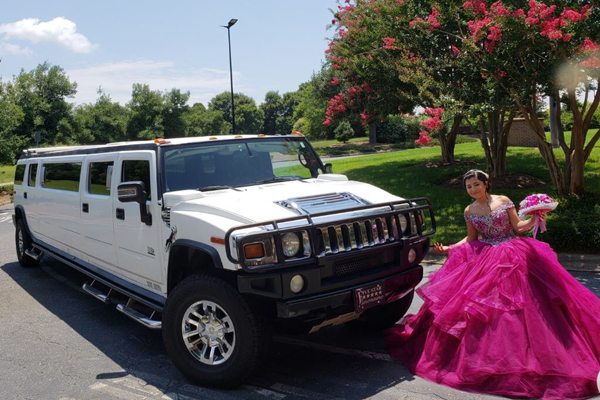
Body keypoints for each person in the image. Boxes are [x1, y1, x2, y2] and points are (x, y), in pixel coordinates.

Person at [386, 169, 600, 400]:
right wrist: (449, 248)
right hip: (485, 256)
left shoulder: (504, 201)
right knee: (482, 311)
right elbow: (471, 239)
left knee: (529, 306)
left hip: (514, 253)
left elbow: (518, 227)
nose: (473, 189)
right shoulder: (469, 210)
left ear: (486, 184)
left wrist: (535, 217)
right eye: (468, 186)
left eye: (476, 184)